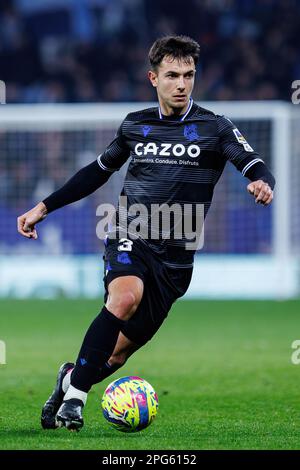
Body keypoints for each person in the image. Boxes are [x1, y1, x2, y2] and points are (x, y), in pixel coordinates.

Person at [17, 35, 275, 431]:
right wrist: (43, 207)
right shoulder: (136, 125)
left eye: (189, 75)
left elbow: (253, 162)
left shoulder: (215, 127)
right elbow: (96, 172)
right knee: (124, 298)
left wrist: (262, 182)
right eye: (173, 75)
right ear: (153, 78)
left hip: (177, 257)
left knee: (116, 356)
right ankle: (76, 401)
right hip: (129, 232)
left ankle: (69, 379)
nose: (182, 84)